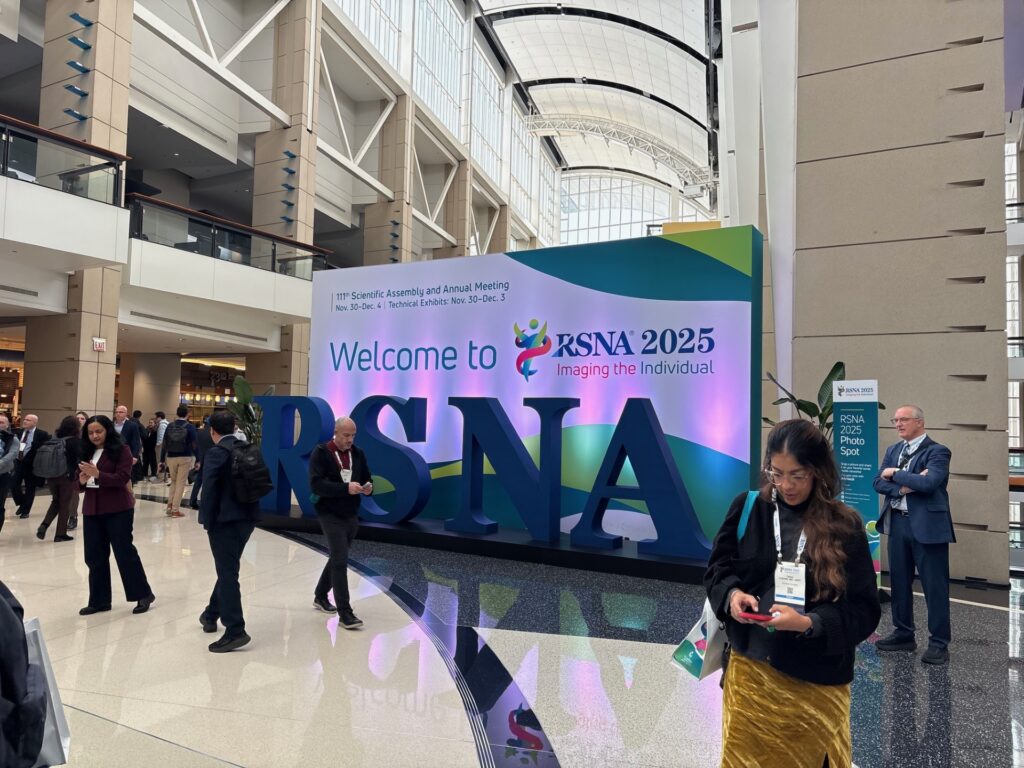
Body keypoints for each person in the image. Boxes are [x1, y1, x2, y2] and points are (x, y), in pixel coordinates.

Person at [704, 419, 880, 768]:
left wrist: (809, 623)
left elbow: (864, 610)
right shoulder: (748, 509)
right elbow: (717, 569)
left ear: (817, 471)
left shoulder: (844, 526)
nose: (786, 485)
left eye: (797, 475)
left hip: (815, 682)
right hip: (750, 672)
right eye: (777, 473)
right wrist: (732, 595)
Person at [872, 405, 953, 666]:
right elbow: (877, 482)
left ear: (920, 422)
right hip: (897, 523)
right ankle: (903, 634)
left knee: (934, 586)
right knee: (899, 582)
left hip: (928, 528)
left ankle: (938, 643)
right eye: (895, 420)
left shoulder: (938, 451)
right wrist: (905, 487)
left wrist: (895, 474)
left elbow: (929, 483)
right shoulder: (893, 450)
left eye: (903, 419)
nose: (898, 424)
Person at [77, 415, 155, 616]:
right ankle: (99, 600)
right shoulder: (86, 451)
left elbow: (122, 478)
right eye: (91, 432)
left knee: (124, 553)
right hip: (92, 509)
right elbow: (78, 483)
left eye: (99, 431)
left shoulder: (122, 450)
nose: (95, 436)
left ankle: (143, 594)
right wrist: (81, 481)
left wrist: (98, 474)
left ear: (108, 431)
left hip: (117, 508)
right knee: (94, 556)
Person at [198, 411, 258, 652]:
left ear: (212, 431)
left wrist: (206, 519)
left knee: (227, 573)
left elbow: (209, 489)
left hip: (224, 521)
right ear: (234, 428)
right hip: (247, 519)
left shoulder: (216, 453)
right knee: (228, 567)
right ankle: (210, 614)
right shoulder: (247, 448)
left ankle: (235, 629)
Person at [309, 417, 373, 629]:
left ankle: (320, 595)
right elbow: (317, 485)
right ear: (335, 432)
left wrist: (368, 487)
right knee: (340, 560)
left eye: (353, 435)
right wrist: (345, 488)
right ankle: (345, 612)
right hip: (329, 512)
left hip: (350, 512)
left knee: (338, 555)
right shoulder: (321, 452)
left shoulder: (358, 453)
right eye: (346, 435)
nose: (350, 440)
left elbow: (367, 477)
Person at [35, 415, 80, 543]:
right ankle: (60, 534)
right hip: (66, 477)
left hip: (51, 476)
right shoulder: (75, 441)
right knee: (65, 504)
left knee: (56, 501)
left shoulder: (54, 439)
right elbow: (80, 459)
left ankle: (44, 525)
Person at [159, 406, 198, 518]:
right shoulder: (190, 427)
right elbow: (194, 444)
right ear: (187, 414)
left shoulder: (170, 426)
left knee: (174, 482)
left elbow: (164, 443)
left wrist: (161, 460)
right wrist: (198, 459)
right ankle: (175, 510)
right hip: (185, 457)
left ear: (177, 413)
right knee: (180, 483)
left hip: (171, 457)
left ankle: (170, 507)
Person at [12, 414, 49, 519]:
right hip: (18, 462)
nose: (25, 421)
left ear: (35, 423)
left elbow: (44, 450)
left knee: (30, 488)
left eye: (28, 420)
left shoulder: (42, 434)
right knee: (13, 484)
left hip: (32, 465)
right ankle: (22, 502)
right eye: (24, 419)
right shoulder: (18, 432)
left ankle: (25, 511)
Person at [188, 417, 215, 510]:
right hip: (211, 459)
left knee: (198, 482)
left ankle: (192, 500)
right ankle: (206, 502)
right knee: (209, 482)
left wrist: (198, 458)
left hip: (201, 458)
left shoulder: (199, 432)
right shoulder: (213, 433)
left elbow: (194, 445)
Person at [112, 406, 143, 484]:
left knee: (127, 477)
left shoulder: (132, 425)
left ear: (126, 414)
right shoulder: (111, 424)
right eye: (116, 412)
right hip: (112, 454)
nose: (118, 414)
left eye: (121, 412)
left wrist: (135, 456)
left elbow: (136, 441)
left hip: (126, 454)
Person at [0, 415, 19, 534]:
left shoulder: (13, 439)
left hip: (3, 475)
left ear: (7, 425)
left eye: (1, 422)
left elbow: (11, 455)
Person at [141, 417, 158, 481]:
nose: (150, 424)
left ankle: (154, 474)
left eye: (151, 423)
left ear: (155, 423)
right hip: (146, 448)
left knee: (153, 462)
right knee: (145, 462)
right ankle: (144, 474)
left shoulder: (156, 431)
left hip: (152, 449)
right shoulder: (146, 430)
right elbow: (143, 438)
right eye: (149, 422)